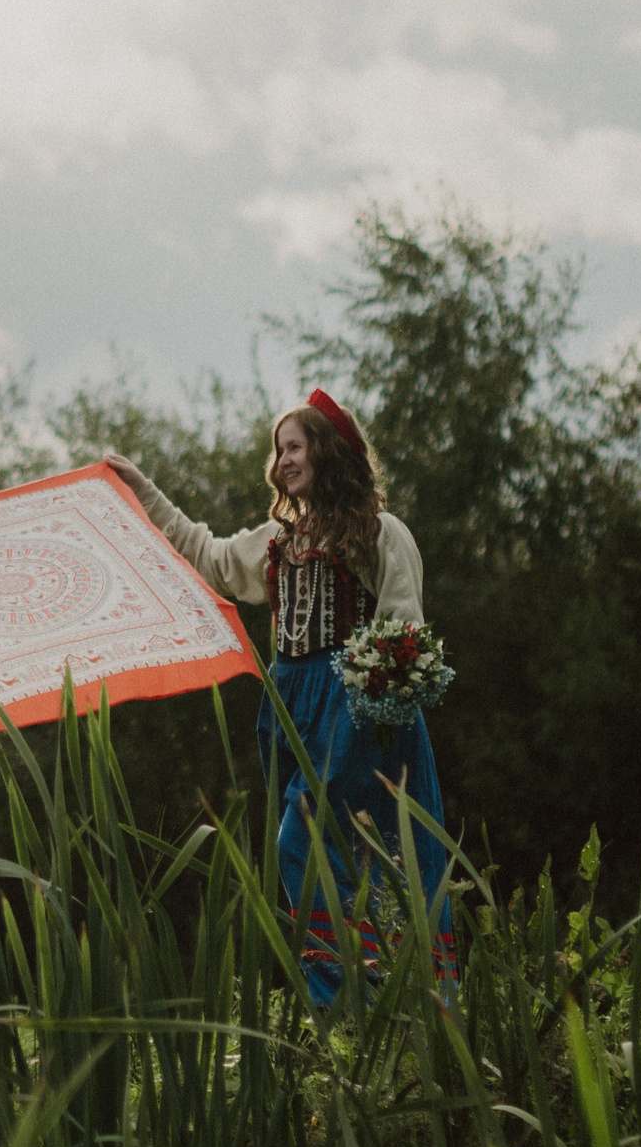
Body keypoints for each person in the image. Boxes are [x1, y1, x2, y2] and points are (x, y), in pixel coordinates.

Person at [105, 390, 456, 1005]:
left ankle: (389, 995)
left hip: (358, 709)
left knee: (358, 847)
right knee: (309, 847)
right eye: (279, 449)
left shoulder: (379, 532)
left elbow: (403, 624)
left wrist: (378, 697)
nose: (284, 460)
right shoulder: (277, 541)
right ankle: (346, 1001)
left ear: (326, 452)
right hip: (294, 709)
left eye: (295, 446)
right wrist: (142, 489)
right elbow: (206, 554)